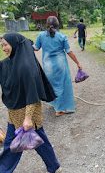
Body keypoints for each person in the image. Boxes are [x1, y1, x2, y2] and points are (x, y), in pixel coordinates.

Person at [0, 33, 61, 173]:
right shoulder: (8, 63)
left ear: (15, 45)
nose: (3, 48)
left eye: (6, 45)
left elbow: (32, 95)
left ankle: (4, 169)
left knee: (33, 143)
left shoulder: (26, 67)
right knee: (15, 145)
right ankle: (54, 166)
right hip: (14, 113)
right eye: (2, 45)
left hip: (28, 113)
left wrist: (27, 119)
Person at [35, 16, 82, 117]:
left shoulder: (41, 36)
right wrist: (78, 63)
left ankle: (56, 105)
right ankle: (59, 109)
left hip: (48, 66)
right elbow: (69, 52)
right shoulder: (62, 36)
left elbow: (35, 48)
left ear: (46, 24)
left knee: (52, 85)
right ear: (57, 25)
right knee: (61, 85)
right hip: (60, 65)